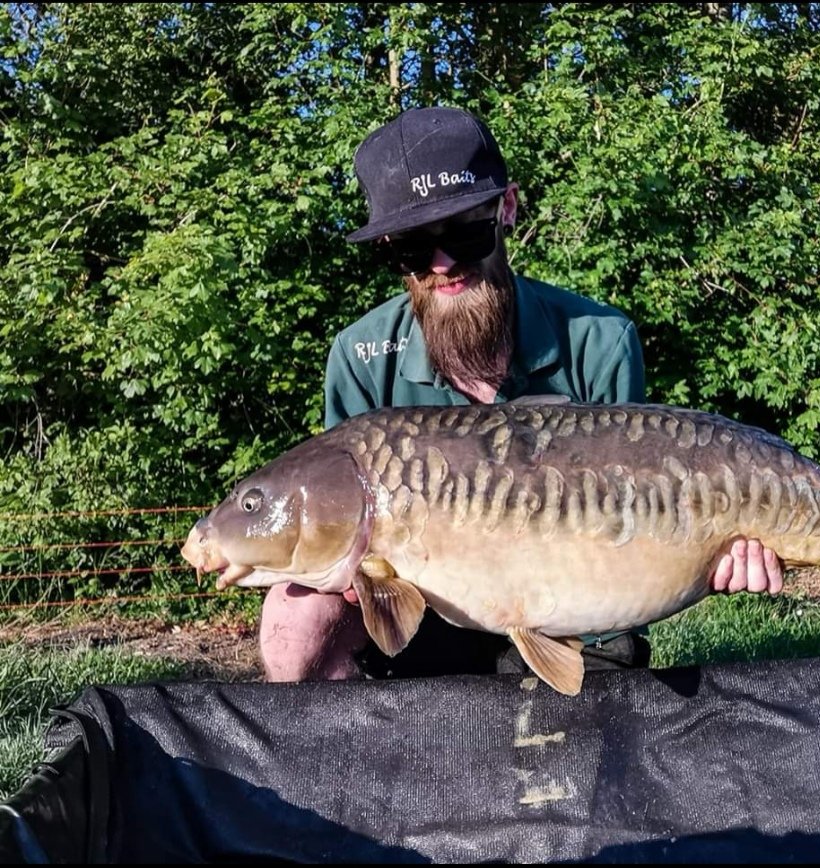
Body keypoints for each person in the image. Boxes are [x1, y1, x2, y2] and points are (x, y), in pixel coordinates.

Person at [259, 106, 785, 683]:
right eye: (413, 247)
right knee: (293, 614)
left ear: (506, 208)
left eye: (464, 231)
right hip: (421, 616)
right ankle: (335, 762)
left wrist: (716, 549)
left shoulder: (599, 339)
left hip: (577, 605)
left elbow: (641, 529)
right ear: (388, 246)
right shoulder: (360, 356)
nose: (443, 264)